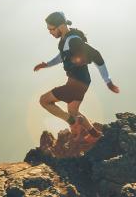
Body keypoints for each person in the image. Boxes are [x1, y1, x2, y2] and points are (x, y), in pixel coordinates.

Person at [33, 11, 120, 144]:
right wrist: (46, 64)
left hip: (76, 83)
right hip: (81, 81)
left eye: (51, 29)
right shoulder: (64, 39)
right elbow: (62, 56)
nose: (50, 32)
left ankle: (72, 122)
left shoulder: (73, 40)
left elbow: (96, 55)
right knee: (73, 110)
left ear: (60, 26)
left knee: (44, 101)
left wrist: (108, 81)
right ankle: (95, 135)